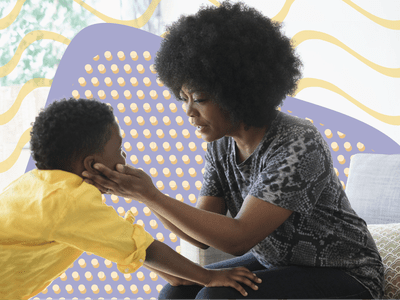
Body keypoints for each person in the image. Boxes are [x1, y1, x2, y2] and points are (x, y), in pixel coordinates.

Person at [83, 1, 384, 299]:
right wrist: (140, 193)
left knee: (216, 298)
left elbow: (239, 238)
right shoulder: (220, 144)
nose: (189, 111)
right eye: (183, 98)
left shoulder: (297, 142)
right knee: (176, 293)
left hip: (344, 273)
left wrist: (151, 194)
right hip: (279, 264)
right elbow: (199, 239)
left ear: (237, 92)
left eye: (199, 98)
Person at [0, 98, 261, 299]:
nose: (124, 159)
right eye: (120, 150)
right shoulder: (68, 202)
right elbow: (147, 250)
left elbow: (130, 249)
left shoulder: (37, 186)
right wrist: (208, 277)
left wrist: (181, 277)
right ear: (92, 165)